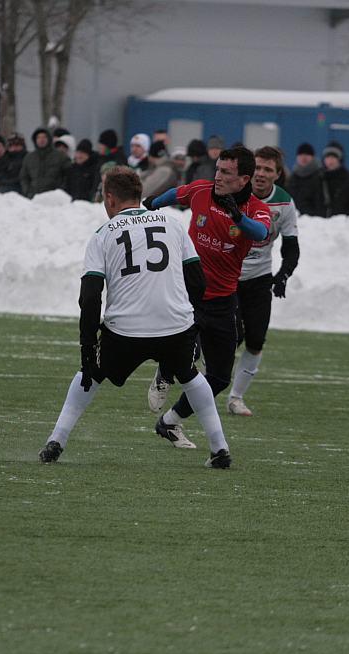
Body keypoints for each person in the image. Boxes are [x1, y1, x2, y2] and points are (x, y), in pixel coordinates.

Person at [38, 166, 231, 467]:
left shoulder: (102, 235)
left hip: (126, 332)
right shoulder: (173, 223)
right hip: (175, 327)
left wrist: (87, 346)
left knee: (92, 374)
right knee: (191, 376)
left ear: (110, 198)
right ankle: (219, 449)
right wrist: (189, 323)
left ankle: (56, 440)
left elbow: (90, 296)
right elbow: (197, 281)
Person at [143, 145, 270, 448]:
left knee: (220, 378)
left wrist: (236, 216)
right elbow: (177, 193)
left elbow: (260, 233)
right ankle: (164, 372)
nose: (218, 177)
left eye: (226, 173)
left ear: (244, 179)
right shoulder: (201, 190)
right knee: (186, 349)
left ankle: (170, 422)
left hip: (223, 300)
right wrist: (153, 203)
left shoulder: (255, 209)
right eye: (217, 170)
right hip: (187, 290)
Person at [225, 146, 299, 417]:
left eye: (268, 169)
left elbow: (291, 246)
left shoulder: (284, 204)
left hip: (259, 278)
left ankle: (235, 398)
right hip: (227, 276)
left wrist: (284, 274)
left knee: (256, 339)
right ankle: (204, 388)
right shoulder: (231, 193)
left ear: (277, 174)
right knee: (231, 337)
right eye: (257, 167)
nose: (261, 173)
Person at [20, 127, 70, 198]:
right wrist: (28, 191)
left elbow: (67, 175)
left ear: (49, 139)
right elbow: (24, 177)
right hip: (34, 198)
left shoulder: (60, 156)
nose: (41, 140)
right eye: (38, 137)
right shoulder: (29, 158)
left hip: (54, 199)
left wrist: (60, 192)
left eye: (44, 137)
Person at [321, 146, 349, 217]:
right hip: (319, 224)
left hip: (345, 224)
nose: (330, 161)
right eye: (327, 157)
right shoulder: (318, 179)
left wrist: (344, 217)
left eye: (333, 157)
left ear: (340, 159)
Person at [286, 143, 325, 217]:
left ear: (313, 157)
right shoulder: (292, 177)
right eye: (300, 155)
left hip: (314, 220)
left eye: (307, 154)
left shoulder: (321, 176)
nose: (304, 157)